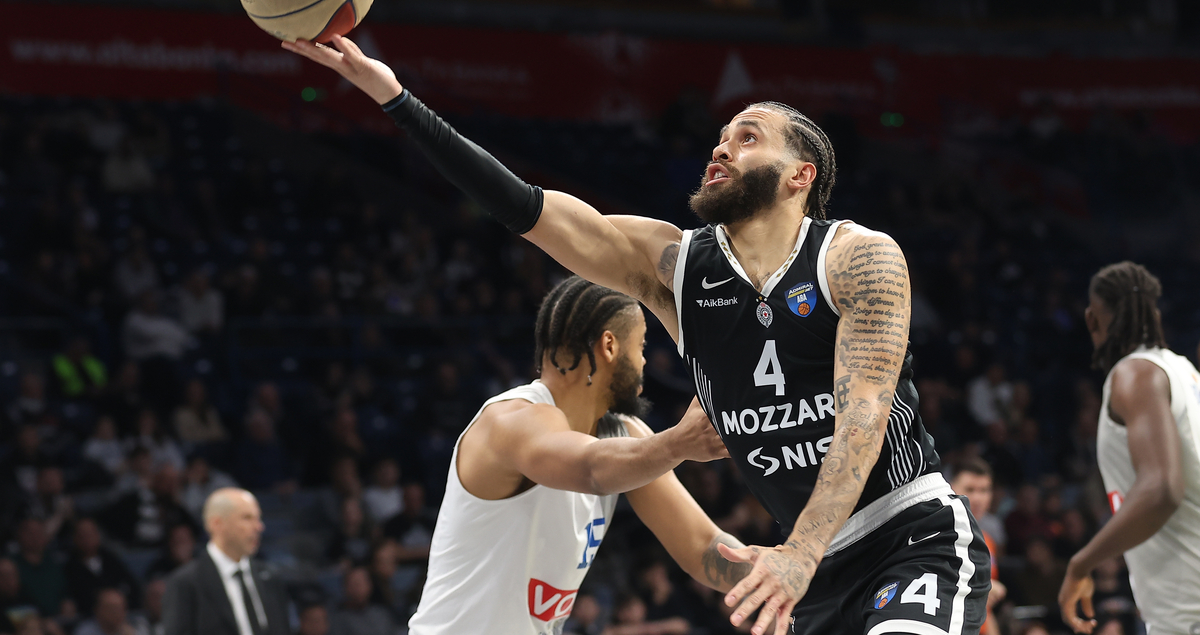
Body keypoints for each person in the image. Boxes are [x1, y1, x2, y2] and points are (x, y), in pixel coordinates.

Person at [286, 34, 991, 635]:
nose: (720, 149)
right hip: (809, 575)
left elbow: (863, 414)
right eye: (719, 138)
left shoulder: (857, 256)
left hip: (907, 534)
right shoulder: (677, 270)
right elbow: (528, 210)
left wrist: (798, 553)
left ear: (798, 177)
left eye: (747, 139)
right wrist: (397, 100)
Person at [405, 276, 748, 635]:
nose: (645, 361)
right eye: (641, 345)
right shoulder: (511, 421)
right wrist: (678, 443)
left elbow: (703, 547)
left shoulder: (626, 435)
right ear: (610, 346)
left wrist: (785, 574)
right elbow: (591, 470)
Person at [1058, 262, 1200, 635]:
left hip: (1188, 612)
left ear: (1092, 320)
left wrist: (1081, 564)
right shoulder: (1185, 372)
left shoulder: (1134, 374)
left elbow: (1162, 488)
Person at [161, 488, 290, 635]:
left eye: (258, 518)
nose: (259, 527)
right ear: (216, 524)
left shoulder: (270, 577)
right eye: (247, 518)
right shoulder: (185, 583)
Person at [950, 460, 1006, 635]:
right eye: (970, 490)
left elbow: (985, 609)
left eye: (984, 490)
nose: (977, 498)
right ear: (950, 488)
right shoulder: (935, 536)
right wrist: (980, 588)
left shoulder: (987, 541)